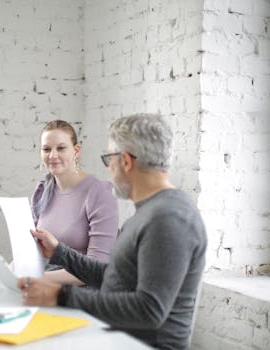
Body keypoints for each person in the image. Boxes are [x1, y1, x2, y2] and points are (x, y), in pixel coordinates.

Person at [18, 114, 207, 350]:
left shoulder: (168, 219)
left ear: (126, 161)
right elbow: (118, 277)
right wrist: (59, 252)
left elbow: (149, 309)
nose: (109, 170)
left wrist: (63, 297)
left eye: (110, 159)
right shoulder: (151, 211)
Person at [31, 119, 118, 285]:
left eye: (61, 148)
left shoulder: (100, 193)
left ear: (76, 151)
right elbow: (32, 250)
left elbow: (97, 269)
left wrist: (38, 279)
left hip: (81, 293)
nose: (53, 155)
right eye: (46, 149)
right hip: (42, 286)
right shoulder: (43, 189)